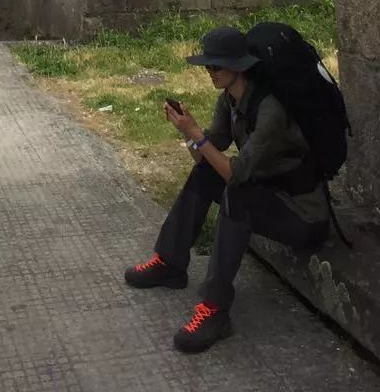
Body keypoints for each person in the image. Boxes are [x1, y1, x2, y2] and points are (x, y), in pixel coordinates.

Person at [124, 25, 330, 354]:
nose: (210, 72)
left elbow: (234, 174)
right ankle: (170, 263)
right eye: (207, 66)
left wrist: (197, 135)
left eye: (216, 66)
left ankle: (215, 310)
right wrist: (186, 131)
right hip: (268, 194)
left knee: (237, 196)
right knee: (205, 173)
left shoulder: (271, 110)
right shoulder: (230, 101)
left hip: (302, 215)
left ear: (239, 66)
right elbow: (205, 154)